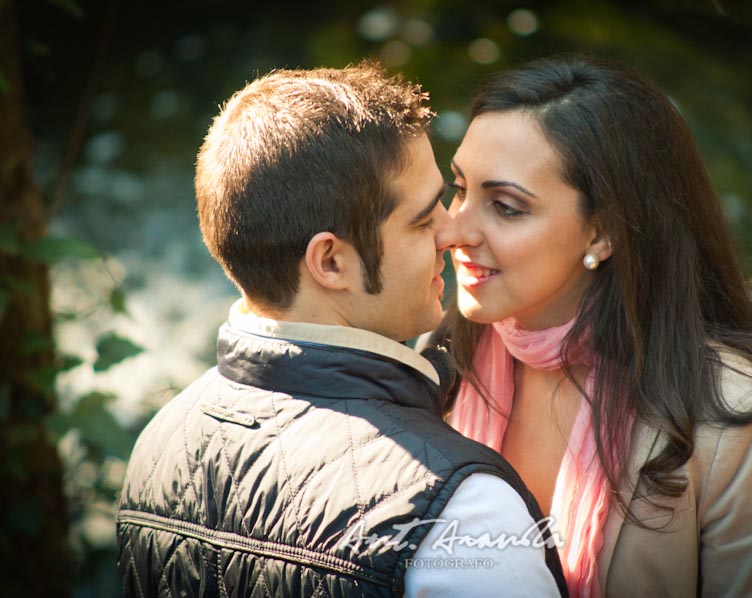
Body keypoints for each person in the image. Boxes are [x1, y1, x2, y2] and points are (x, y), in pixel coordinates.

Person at [115, 62, 567, 597]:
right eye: (423, 220)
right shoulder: (461, 516)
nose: (454, 231)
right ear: (330, 262)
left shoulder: (159, 445)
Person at [428, 55, 752, 597]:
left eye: (505, 206)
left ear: (602, 233)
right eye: (459, 188)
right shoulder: (434, 363)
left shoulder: (735, 423)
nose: (454, 230)